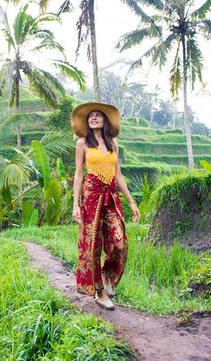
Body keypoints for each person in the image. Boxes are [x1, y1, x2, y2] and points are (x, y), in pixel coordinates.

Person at [71, 102, 140, 310]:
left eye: (98, 116)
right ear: (87, 121)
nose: (94, 118)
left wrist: (131, 201)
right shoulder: (82, 143)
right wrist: (75, 205)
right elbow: (78, 174)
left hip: (111, 194)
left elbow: (118, 176)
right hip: (91, 195)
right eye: (90, 116)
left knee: (119, 242)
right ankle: (100, 293)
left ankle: (107, 275)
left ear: (104, 121)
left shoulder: (113, 145)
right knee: (93, 245)